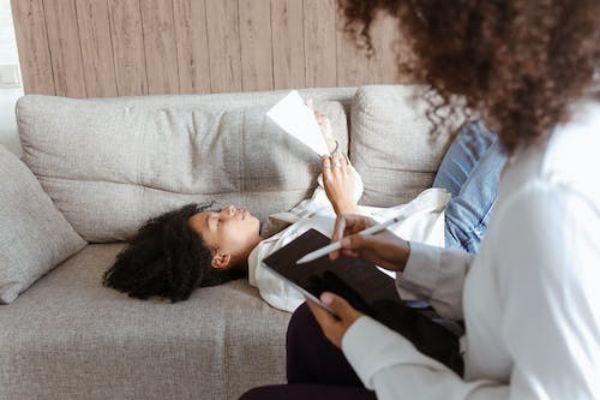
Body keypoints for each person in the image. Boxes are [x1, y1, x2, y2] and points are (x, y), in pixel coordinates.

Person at [240, 0, 600, 399]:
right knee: (308, 328)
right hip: (482, 347)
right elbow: (505, 285)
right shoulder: (545, 142)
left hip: (484, 381)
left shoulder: (550, 196)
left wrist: (375, 352)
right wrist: (408, 258)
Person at [103, 110, 504, 309]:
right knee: (528, 126)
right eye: (218, 221)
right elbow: (366, 289)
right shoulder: (275, 272)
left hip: (436, 211)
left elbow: (341, 189)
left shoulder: (281, 229)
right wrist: (345, 206)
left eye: (218, 210)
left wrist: (326, 144)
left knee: (485, 122)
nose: (228, 210)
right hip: (446, 245)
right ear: (220, 258)